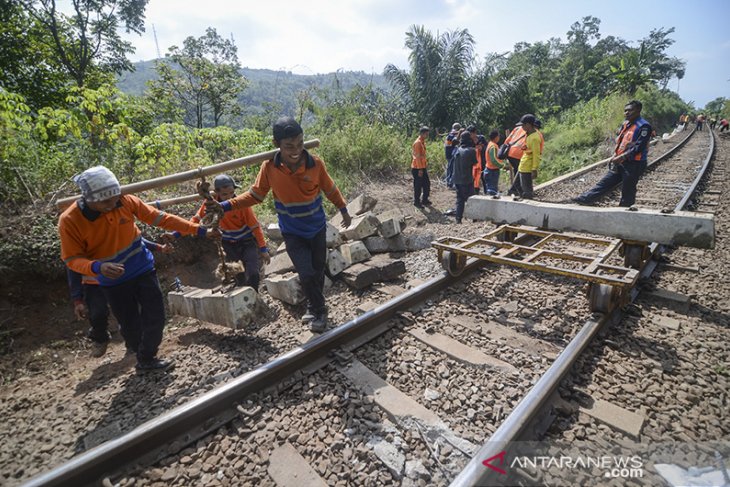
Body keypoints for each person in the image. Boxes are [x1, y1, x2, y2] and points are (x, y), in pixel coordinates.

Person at [59, 166, 220, 373]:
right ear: (88, 199)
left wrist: (199, 230)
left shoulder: (124, 201)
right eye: (105, 202)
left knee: (156, 316)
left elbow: (161, 218)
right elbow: (71, 259)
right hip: (112, 281)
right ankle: (140, 354)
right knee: (130, 325)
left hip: (142, 267)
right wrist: (97, 267)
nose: (112, 205)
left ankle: (146, 358)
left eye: (114, 199)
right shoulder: (70, 221)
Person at [204, 117, 352, 333]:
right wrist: (225, 206)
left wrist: (344, 209)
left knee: (318, 271)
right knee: (306, 272)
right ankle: (321, 311)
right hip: (293, 232)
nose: (296, 150)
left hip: (317, 228)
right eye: (289, 146)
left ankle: (312, 305)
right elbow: (255, 196)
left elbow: (330, 189)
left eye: (300, 144)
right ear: (277, 145)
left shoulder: (316, 165)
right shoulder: (269, 168)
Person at [67, 238, 171, 357]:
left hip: (117, 279)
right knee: (97, 314)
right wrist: (77, 300)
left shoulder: (111, 228)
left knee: (128, 314)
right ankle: (100, 338)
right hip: (93, 285)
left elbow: (134, 240)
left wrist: (158, 247)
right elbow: (72, 268)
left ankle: (134, 346)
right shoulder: (75, 239)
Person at [169, 174, 270, 290]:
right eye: (224, 194)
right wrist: (175, 235)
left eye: (231, 193)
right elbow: (194, 222)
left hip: (247, 242)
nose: (229, 197)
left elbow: (255, 227)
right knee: (238, 275)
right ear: (217, 193)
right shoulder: (210, 206)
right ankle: (244, 299)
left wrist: (263, 249)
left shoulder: (241, 204)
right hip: (228, 244)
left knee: (253, 273)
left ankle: (255, 295)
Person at [572, 100, 652, 207]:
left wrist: (622, 157)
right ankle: (584, 199)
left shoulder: (644, 126)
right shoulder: (626, 124)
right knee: (605, 182)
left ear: (638, 111)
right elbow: (621, 142)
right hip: (621, 162)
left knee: (628, 188)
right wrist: (615, 155)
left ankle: (624, 210)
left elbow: (639, 147)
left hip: (634, 164)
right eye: (625, 111)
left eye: (630, 110)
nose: (627, 113)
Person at [508, 114, 542, 199]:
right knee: (516, 184)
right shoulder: (528, 135)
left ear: (528, 125)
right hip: (522, 165)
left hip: (527, 167)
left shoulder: (535, 138)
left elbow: (536, 154)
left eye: (523, 125)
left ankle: (528, 200)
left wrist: (534, 169)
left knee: (526, 189)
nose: (522, 127)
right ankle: (523, 198)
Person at [451, 131, 478, 224]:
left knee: (460, 199)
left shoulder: (457, 150)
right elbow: (475, 163)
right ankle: (475, 217)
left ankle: (458, 219)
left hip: (456, 179)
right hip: (466, 179)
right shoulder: (471, 150)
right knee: (472, 198)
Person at [483, 130, 508, 196]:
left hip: (490, 170)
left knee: (492, 190)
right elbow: (493, 160)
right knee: (492, 191)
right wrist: (503, 166)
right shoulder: (493, 146)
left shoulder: (491, 144)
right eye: (498, 136)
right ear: (496, 137)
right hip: (492, 171)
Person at [412, 126, 432, 208]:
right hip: (418, 168)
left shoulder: (422, 142)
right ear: (422, 134)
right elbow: (417, 157)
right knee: (418, 186)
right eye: (426, 134)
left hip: (422, 167)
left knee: (426, 184)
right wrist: (420, 169)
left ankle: (424, 200)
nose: (427, 136)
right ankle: (417, 202)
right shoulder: (418, 143)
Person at [444, 123, 461, 188]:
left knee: (449, 168)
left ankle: (449, 183)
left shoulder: (449, 134)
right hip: (451, 154)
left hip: (448, 154)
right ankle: (451, 182)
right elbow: (455, 141)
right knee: (452, 168)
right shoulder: (452, 134)